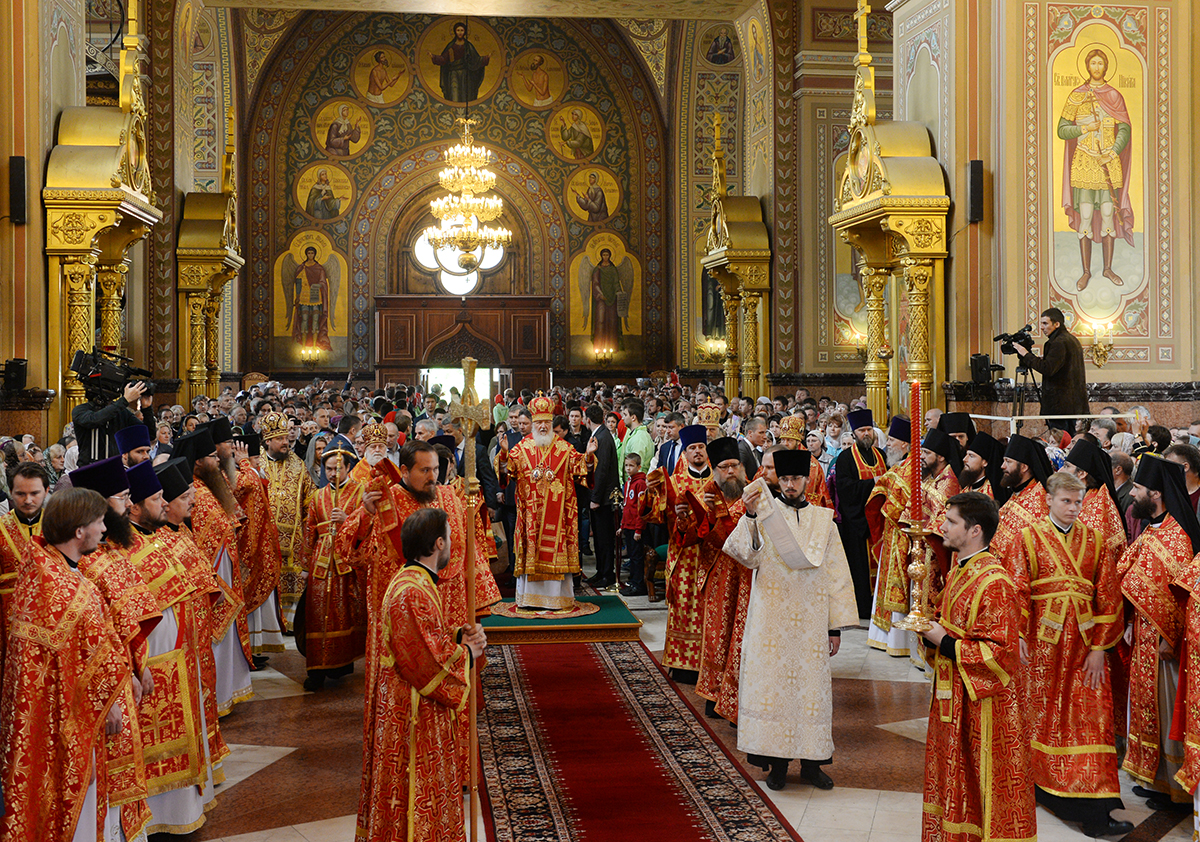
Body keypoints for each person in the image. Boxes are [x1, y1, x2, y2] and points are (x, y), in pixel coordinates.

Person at [0, 488, 136, 841]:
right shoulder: (62, 586)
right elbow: (81, 659)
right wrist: (105, 707)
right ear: (80, 531)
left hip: (58, 713)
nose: (105, 528)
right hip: (66, 716)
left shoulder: (45, 569)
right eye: (99, 522)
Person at [723, 448, 857, 791]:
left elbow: (837, 575)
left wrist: (834, 626)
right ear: (777, 480)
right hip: (771, 618)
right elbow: (745, 556)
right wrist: (750, 517)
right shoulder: (765, 514)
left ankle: (812, 765)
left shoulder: (824, 519)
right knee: (774, 689)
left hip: (811, 622)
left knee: (810, 692)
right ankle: (777, 765)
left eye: (796, 478)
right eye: (784, 479)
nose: (790, 484)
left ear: (807, 479)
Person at [1008, 471, 1130, 838]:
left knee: (1090, 718)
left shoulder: (1094, 541)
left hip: (1083, 648)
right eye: (1066, 501)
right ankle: (1044, 787)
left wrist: (1099, 649)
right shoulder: (1026, 538)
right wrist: (1017, 635)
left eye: (1079, 502)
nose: (1074, 508)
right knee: (1042, 717)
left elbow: (1108, 595)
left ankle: (1097, 804)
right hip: (1042, 648)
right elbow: (1016, 590)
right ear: (1048, 500)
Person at [358, 507, 486, 842]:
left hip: (414, 706)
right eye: (449, 537)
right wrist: (467, 654)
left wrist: (459, 639)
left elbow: (429, 639)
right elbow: (423, 662)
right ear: (439, 543)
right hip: (412, 712)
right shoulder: (411, 590)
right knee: (414, 792)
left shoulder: (415, 581)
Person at [920, 491, 1034, 842]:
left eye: (951, 522)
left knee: (979, 783)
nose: (942, 526)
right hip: (954, 698)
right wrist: (928, 632)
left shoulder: (995, 582)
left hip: (985, 708)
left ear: (974, 531)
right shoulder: (960, 571)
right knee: (954, 777)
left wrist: (941, 640)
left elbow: (1000, 655)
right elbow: (945, 626)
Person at [124, 459, 222, 834]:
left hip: (186, 651)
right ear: (133, 505)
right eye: (157, 498)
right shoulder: (122, 548)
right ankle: (160, 817)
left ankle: (184, 808)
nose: (165, 504)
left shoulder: (166, 536)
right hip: (155, 656)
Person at [1117, 455, 1200, 811]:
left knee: (1167, 710)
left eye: (1137, 488)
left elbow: (1183, 595)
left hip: (1168, 643)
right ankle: (1155, 778)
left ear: (1156, 493)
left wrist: (1171, 636)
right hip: (1145, 636)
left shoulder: (1177, 537)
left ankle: (1175, 786)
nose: (1133, 494)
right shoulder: (1154, 529)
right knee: (1147, 706)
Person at [175, 428, 254, 716]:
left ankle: (226, 693)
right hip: (214, 579)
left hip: (225, 574)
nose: (217, 461)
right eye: (211, 457)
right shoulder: (195, 491)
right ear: (197, 462)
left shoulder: (208, 487)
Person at [497, 395, 597, 607]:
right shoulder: (521, 448)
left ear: (552, 424)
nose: (542, 426)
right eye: (539, 422)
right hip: (531, 513)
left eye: (546, 422)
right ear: (533, 424)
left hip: (558, 514)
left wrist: (588, 456)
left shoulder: (564, 448)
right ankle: (529, 598)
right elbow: (507, 472)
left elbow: (581, 469)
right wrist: (504, 453)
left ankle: (556, 600)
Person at [641, 424, 711, 683]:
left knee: (707, 608)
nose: (697, 452)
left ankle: (709, 662)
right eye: (692, 448)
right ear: (685, 453)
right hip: (683, 555)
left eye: (701, 447)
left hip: (710, 556)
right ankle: (682, 666)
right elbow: (657, 515)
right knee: (682, 607)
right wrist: (652, 491)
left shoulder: (719, 480)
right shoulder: (674, 482)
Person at [693, 437, 752, 726]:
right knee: (716, 636)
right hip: (717, 573)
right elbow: (694, 536)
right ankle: (713, 694)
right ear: (714, 469)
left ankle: (736, 699)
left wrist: (716, 516)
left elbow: (740, 533)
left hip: (748, 575)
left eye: (735, 465)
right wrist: (693, 515)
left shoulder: (753, 493)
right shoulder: (707, 492)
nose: (731, 471)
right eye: (725, 466)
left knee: (741, 638)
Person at [301, 444, 367, 691]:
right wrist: (305, 566)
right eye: (328, 469)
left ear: (349, 468)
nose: (332, 474)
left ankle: (341, 664)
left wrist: (348, 521)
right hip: (320, 564)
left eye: (338, 469)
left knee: (344, 615)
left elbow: (369, 529)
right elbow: (309, 532)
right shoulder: (318, 497)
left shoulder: (361, 492)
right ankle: (316, 670)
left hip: (346, 565)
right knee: (317, 617)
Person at [865, 416, 918, 657]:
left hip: (903, 537)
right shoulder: (900, 467)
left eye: (893, 440)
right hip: (892, 536)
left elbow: (896, 503)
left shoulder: (911, 468)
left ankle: (899, 640)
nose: (888, 444)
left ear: (906, 445)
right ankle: (883, 636)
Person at [260, 410, 315, 632]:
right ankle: (271, 626)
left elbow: (309, 499)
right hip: (266, 539)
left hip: (294, 541)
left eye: (286, 438)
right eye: (280, 439)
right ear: (268, 441)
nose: (286, 442)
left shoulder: (298, 464)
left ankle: (291, 625)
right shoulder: (257, 464)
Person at [833, 408, 887, 618]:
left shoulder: (881, 455)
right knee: (860, 568)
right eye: (862, 430)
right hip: (858, 524)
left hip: (881, 522)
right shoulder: (846, 458)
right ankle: (864, 609)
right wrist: (871, 483)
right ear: (854, 433)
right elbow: (845, 488)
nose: (866, 434)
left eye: (869, 429)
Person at [1014, 307, 1089, 429]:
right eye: (1041, 324)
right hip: (1074, 405)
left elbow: (1048, 369)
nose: (1042, 328)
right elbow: (1062, 364)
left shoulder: (1058, 342)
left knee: (1061, 441)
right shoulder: (1071, 339)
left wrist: (1025, 354)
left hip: (1060, 406)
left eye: (1045, 323)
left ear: (1057, 324)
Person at [991, 433, 1055, 565]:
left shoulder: (1039, 499)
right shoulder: (1018, 492)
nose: (1002, 466)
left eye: (1008, 461)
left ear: (1024, 467)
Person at [583, 403, 619, 587]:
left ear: (587, 420)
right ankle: (600, 571)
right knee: (597, 536)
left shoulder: (602, 437)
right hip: (600, 496)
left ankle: (607, 574)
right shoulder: (600, 434)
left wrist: (595, 498)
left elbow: (602, 470)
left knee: (604, 538)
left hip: (604, 499)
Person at [430, 21, 490, 103]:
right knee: (454, 93)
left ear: (465, 31)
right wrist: (434, 57)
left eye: (462, 30)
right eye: (458, 30)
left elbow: (476, 60)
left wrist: (486, 58)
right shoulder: (451, 46)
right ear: (455, 31)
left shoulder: (468, 46)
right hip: (453, 74)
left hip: (466, 74)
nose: (460, 32)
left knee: (466, 94)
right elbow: (444, 59)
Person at [619, 452, 648, 597]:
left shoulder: (640, 483)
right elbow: (627, 506)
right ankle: (633, 581)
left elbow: (640, 509)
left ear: (639, 466)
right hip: (628, 525)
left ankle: (639, 584)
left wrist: (638, 529)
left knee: (637, 557)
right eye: (626, 465)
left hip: (636, 527)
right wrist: (622, 525)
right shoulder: (629, 482)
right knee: (631, 555)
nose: (628, 468)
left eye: (631, 465)